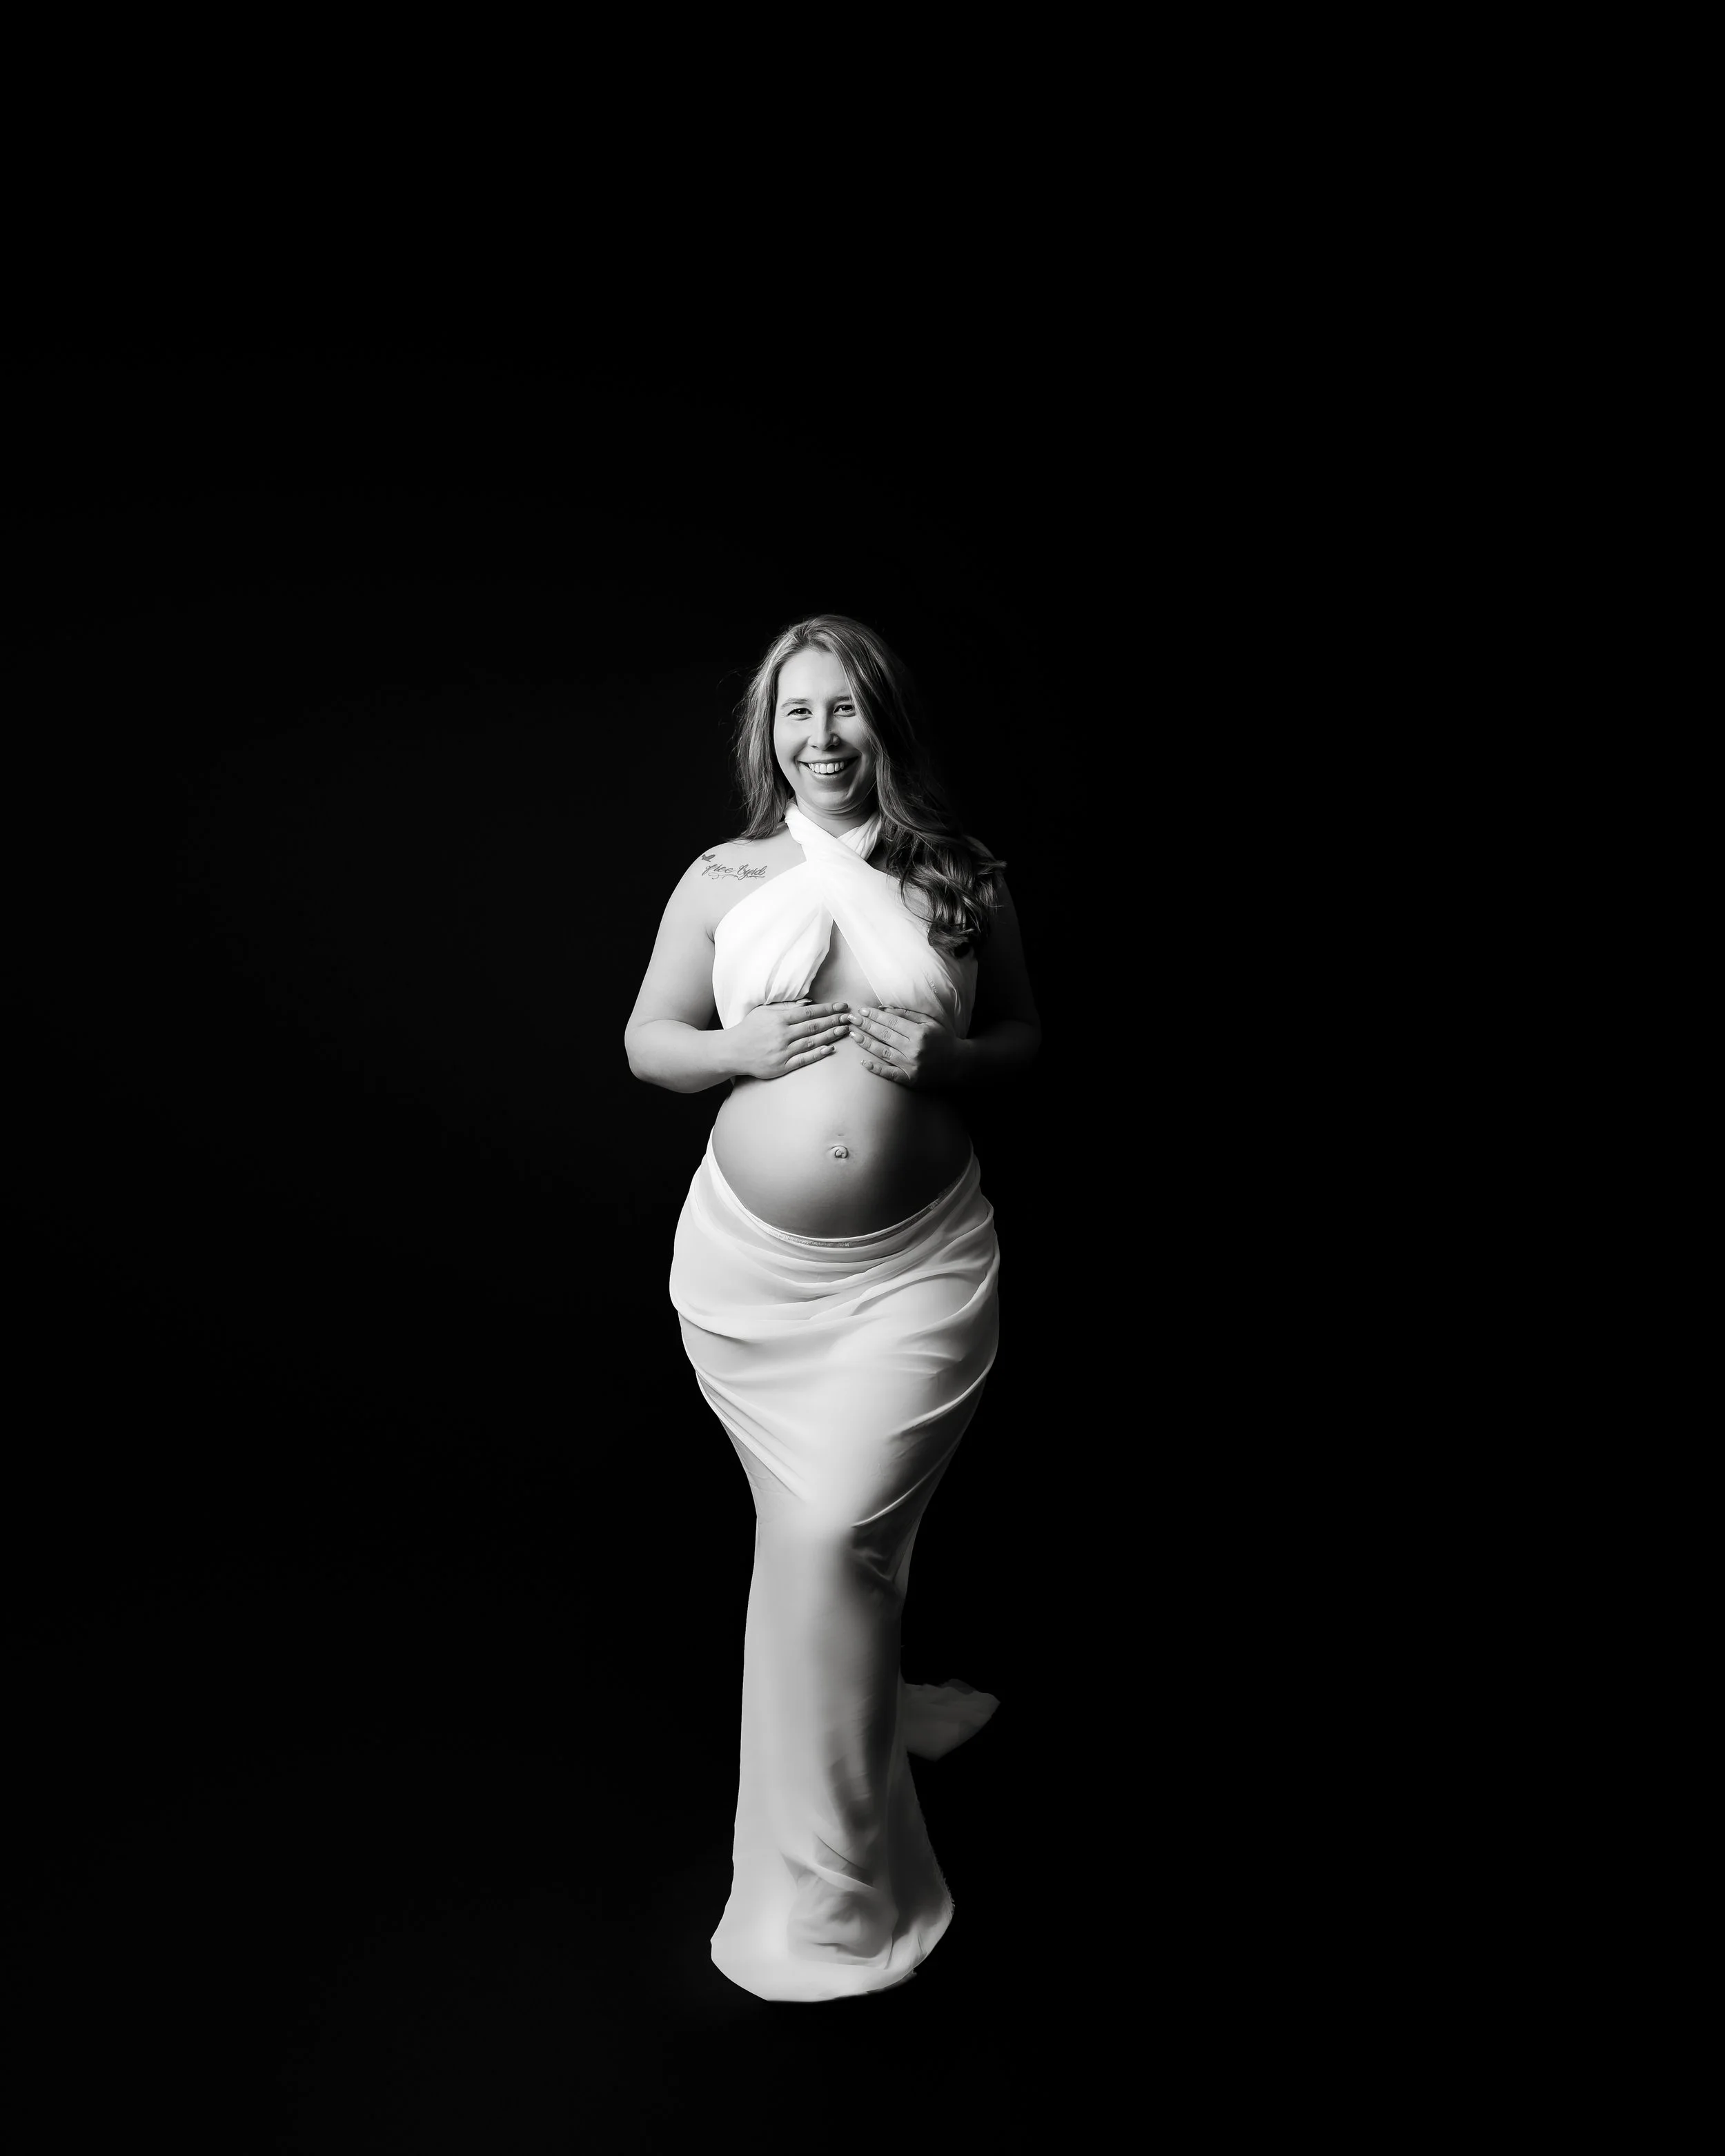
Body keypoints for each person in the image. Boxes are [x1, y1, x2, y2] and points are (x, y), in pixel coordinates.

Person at [623, 615, 1041, 2001]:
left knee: (823, 1545)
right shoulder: (721, 877)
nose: (821, 736)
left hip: (915, 1275)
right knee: (827, 1551)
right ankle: (882, 1707)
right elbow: (647, 1040)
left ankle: (839, 1899)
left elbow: (1022, 1039)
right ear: (768, 732)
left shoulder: (962, 879)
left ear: (882, 726)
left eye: (847, 712)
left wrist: (953, 1053)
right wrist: (732, 1048)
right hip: (754, 1282)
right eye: (797, 712)